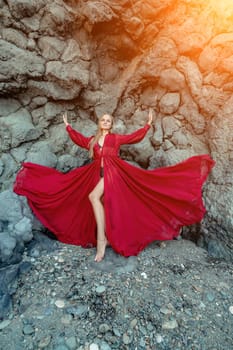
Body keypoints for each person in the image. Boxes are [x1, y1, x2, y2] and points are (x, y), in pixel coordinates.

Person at [13, 110, 215, 262]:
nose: (106, 122)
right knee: (95, 201)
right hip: (95, 174)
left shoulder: (116, 138)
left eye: (109, 120)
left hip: (114, 174)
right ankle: (107, 237)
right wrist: (67, 126)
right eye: (103, 120)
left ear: (111, 124)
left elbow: (133, 138)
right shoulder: (92, 141)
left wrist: (147, 125)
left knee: (93, 197)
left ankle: (102, 241)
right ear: (100, 123)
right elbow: (78, 139)